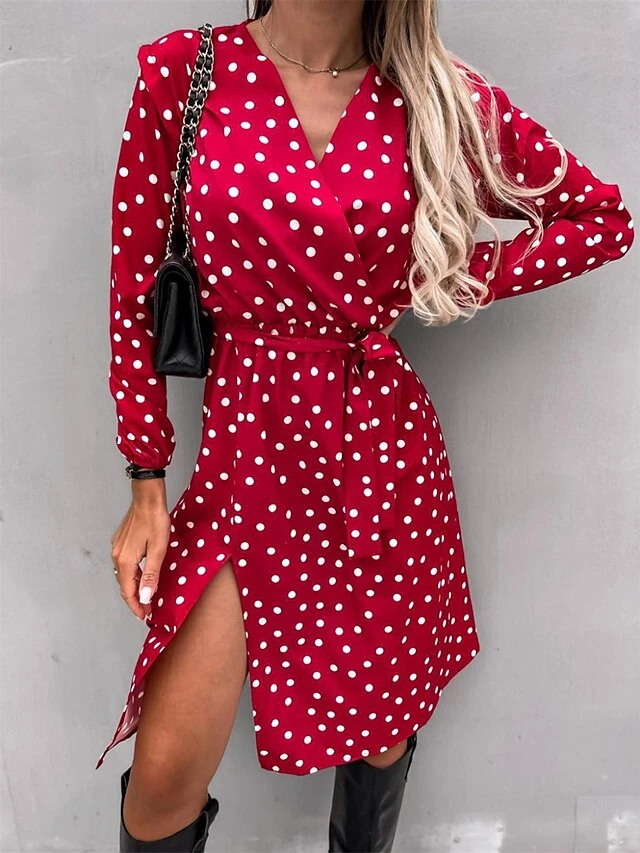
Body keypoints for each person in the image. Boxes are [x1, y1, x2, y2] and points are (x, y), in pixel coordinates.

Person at [98, 1, 635, 851]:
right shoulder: (185, 74)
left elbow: (602, 219)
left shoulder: (433, 98)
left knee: (379, 735)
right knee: (162, 777)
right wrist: (146, 478)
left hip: (379, 461)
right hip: (246, 460)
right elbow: (134, 292)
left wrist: (446, 272)